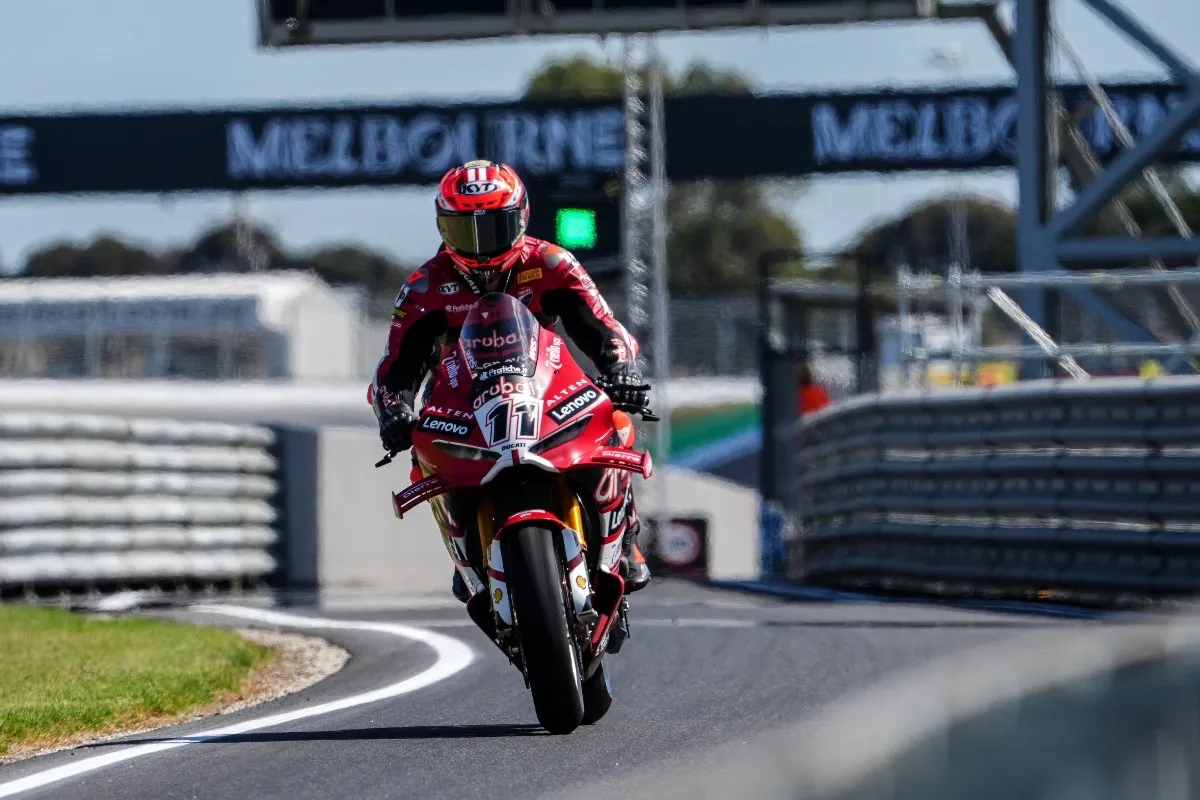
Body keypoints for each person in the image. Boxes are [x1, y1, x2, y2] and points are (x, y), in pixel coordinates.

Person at [370, 159, 653, 602]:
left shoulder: (552, 262)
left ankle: (625, 536)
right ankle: (466, 553)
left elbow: (603, 328)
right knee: (422, 455)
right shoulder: (425, 285)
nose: (481, 246)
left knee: (614, 421)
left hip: (545, 388)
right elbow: (395, 366)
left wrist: (621, 369)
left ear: (521, 217)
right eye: (466, 230)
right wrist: (394, 411)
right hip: (463, 404)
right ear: (443, 226)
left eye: (494, 227)